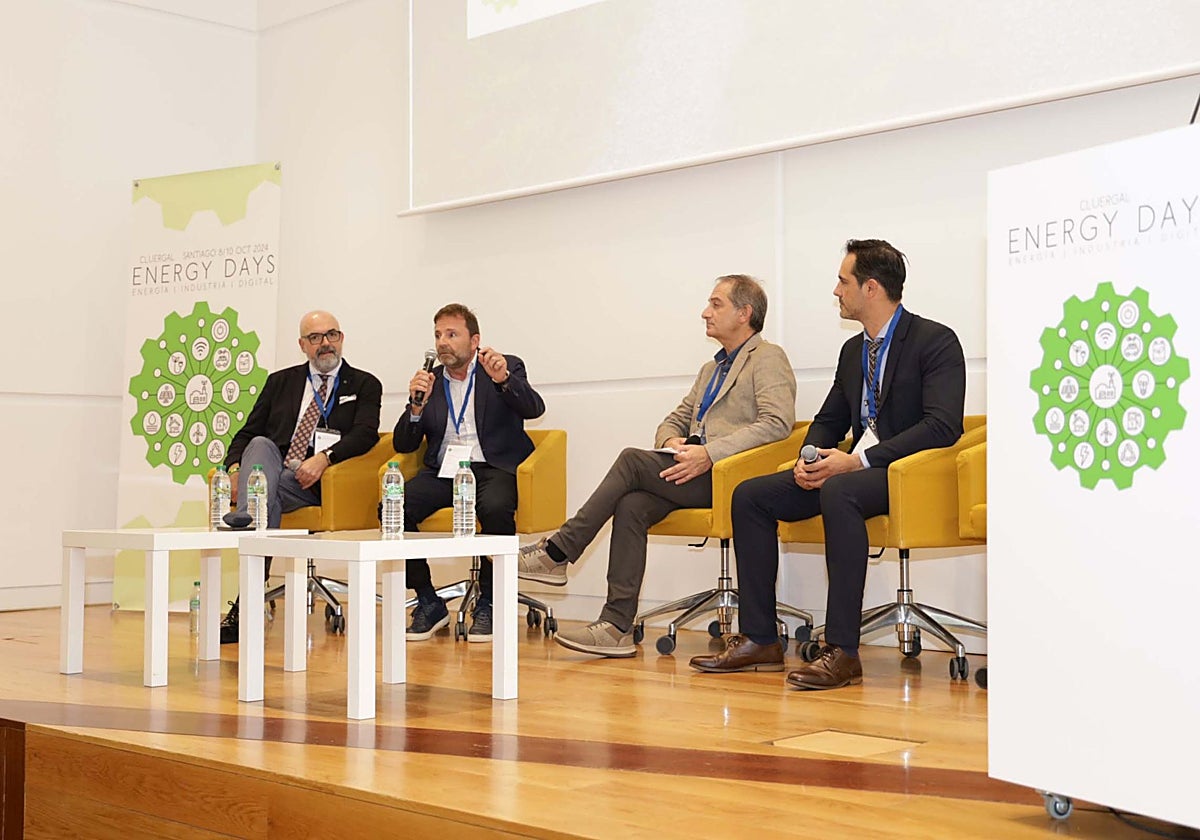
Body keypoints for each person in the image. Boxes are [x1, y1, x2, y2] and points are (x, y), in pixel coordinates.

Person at [689, 239, 966, 689]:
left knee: (840, 489)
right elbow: (829, 419)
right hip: (856, 469)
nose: (836, 291)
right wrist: (809, 459)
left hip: (908, 475)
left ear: (871, 288)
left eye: (843, 281)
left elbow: (942, 426)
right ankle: (761, 639)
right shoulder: (852, 352)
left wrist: (858, 460)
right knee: (752, 496)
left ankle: (843, 650)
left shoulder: (935, 341)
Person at [518, 275, 796, 657]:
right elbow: (673, 419)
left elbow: (777, 423)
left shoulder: (767, 358)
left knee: (632, 461)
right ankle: (616, 625)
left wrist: (710, 453)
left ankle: (557, 551)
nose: (705, 312)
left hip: (733, 478)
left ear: (744, 313)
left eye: (716, 304)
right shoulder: (709, 371)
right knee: (632, 505)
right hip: (690, 470)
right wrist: (671, 442)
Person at [219, 310, 383, 643]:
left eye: (332, 335)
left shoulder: (364, 383)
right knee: (262, 447)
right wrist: (235, 468)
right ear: (302, 345)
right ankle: (255, 507)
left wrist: (325, 458)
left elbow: (366, 434)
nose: (325, 344)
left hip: (322, 481)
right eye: (315, 338)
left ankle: (246, 584)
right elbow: (247, 433)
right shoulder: (280, 382)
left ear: (341, 338)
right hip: (276, 470)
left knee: (265, 492)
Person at [394, 303, 546, 642]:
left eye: (452, 334)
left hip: (493, 465)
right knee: (395, 508)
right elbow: (405, 444)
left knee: (494, 507)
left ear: (475, 340)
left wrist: (504, 379)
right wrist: (416, 405)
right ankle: (427, 599)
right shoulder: (430, 380)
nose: (443, 342)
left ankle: (491, 601)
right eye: (438, 335)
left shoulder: (503, 367)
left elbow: (535, 408)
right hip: (445, 469)